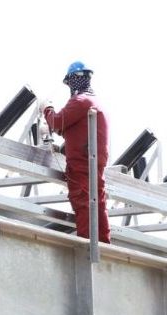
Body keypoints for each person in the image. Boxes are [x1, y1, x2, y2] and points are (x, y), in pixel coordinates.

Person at [41, 61, 111, 243]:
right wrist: (64, 148)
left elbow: (58, 122)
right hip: (93, 161)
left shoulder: (80, 102)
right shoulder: (94, 103)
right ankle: (104, 245)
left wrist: (47, 110)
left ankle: (88, 248)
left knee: (84, 203)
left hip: (81, 163)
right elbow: (78, 132)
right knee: (98, 203)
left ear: (73, 81)